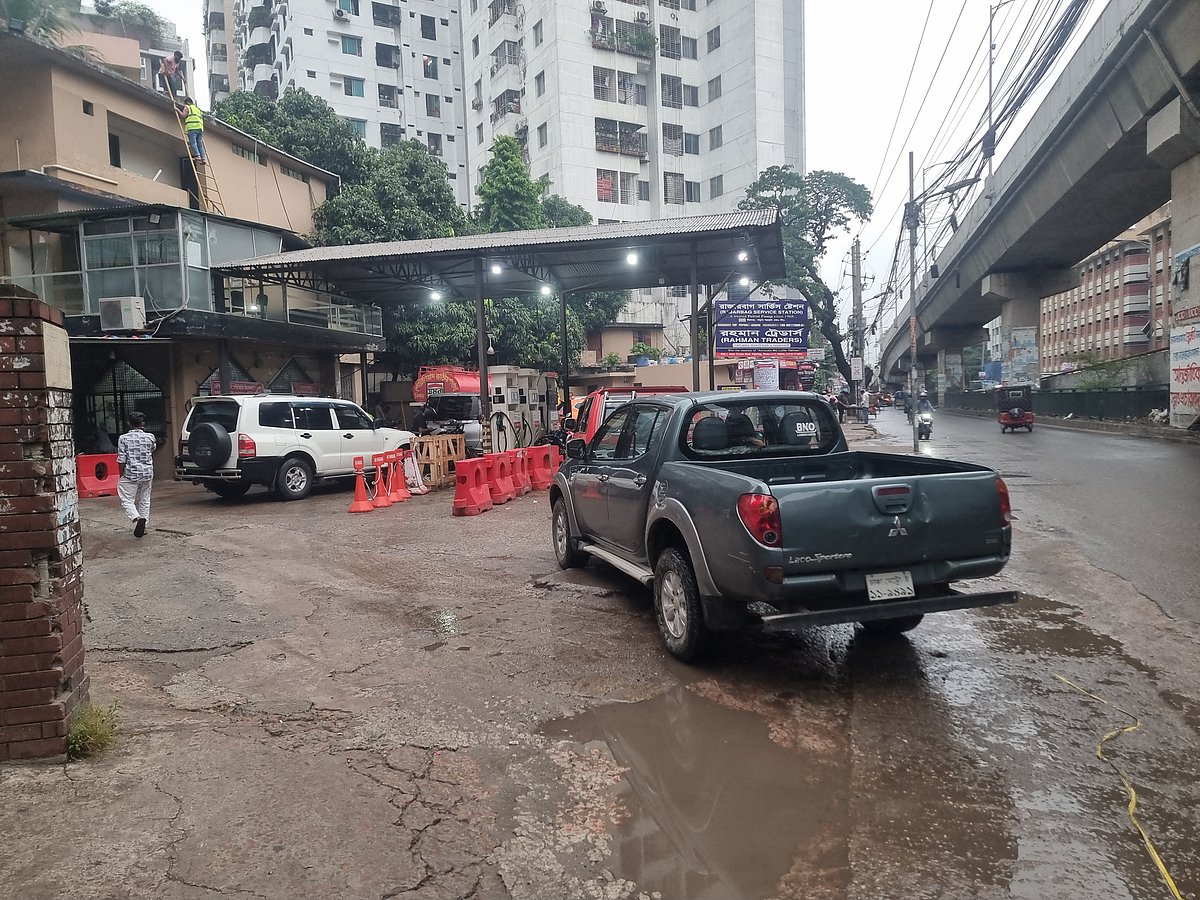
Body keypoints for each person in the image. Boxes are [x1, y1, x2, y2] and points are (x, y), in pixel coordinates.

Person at [116, 411, 157, 538]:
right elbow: (152, 449)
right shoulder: (150, 437)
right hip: (147, 473)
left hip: (131, 473)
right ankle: (144, 526)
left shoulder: (123, 438)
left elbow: (122, 459)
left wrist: (121, 474)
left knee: (127, 499)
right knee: (145, 499)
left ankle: (136, 517)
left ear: (129, 423)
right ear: (143, 423)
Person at [176, 97, 206, 161]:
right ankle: (203, 158)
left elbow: (183, 115)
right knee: (200, 144)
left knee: (193, 143)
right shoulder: (198, 109)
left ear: (188, 102)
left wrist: (177, 110)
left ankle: (198, 155)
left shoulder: (188, 107)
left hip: (192, 127)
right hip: (200, 128)